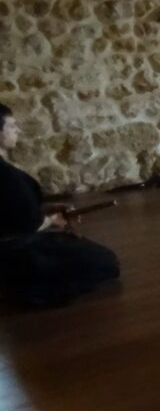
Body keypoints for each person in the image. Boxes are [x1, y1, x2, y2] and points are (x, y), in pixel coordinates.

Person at [0, 103, 119, 307]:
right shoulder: (5, 175)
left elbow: (10, 211)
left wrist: (46, 210)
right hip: (11, 251)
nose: (17, 131)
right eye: (12, 126)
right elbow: (28, 224)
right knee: (105, 262)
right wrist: (52, 220)